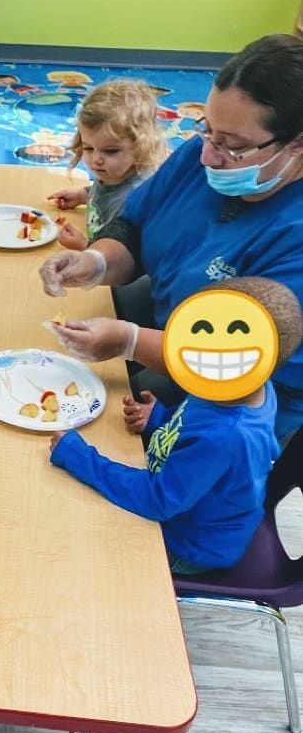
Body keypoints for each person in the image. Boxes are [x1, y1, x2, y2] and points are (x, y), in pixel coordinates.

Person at [38, 34, 303, 444]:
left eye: (232, 147)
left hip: (238, 401)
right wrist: (95, 262)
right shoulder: (201, 157)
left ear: (297, 144)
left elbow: (232, 360)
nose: (208, 157)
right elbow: (136, 226)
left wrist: (127, 340)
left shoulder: (294, 234)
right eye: (208, 131)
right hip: (172, 329)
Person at [48, 277, 302, 574]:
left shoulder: (227, 435)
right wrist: (159, 419)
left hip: (189, 545)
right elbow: (197, 427)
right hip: (186, 501)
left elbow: (157, 500)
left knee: (73, 544)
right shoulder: (240, 385)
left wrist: (80, 457)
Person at [47, 78, 166, 252]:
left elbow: (124, 261)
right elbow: (105, 192)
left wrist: (83, 246)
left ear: (141, 146)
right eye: (88, 148)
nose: (96, 159)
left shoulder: (131, 201)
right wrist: (82, 196)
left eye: (110, 151)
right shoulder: (114, 172)